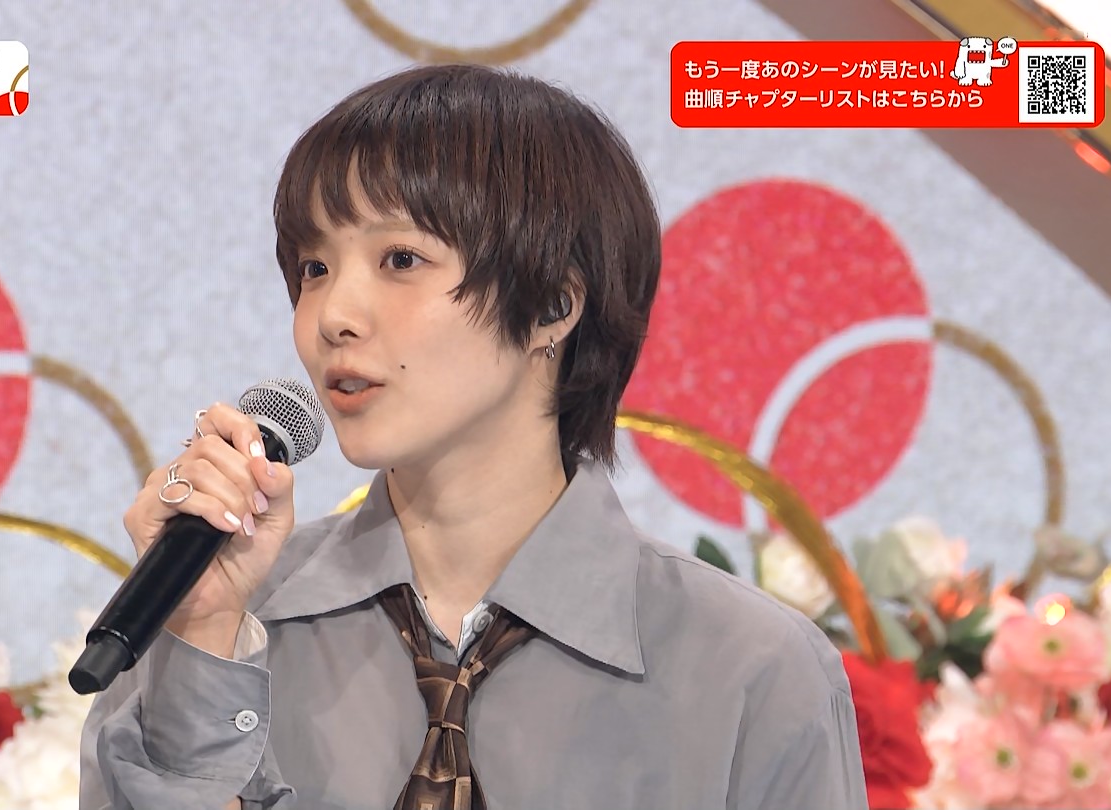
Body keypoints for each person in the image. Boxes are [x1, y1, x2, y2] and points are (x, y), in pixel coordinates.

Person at [80, 64, 868, 810]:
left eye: (400, 259)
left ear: (553, 307)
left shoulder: (753, 667)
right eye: (314, 268)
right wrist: (202, 635)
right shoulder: (205, 623)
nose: (333, 317)